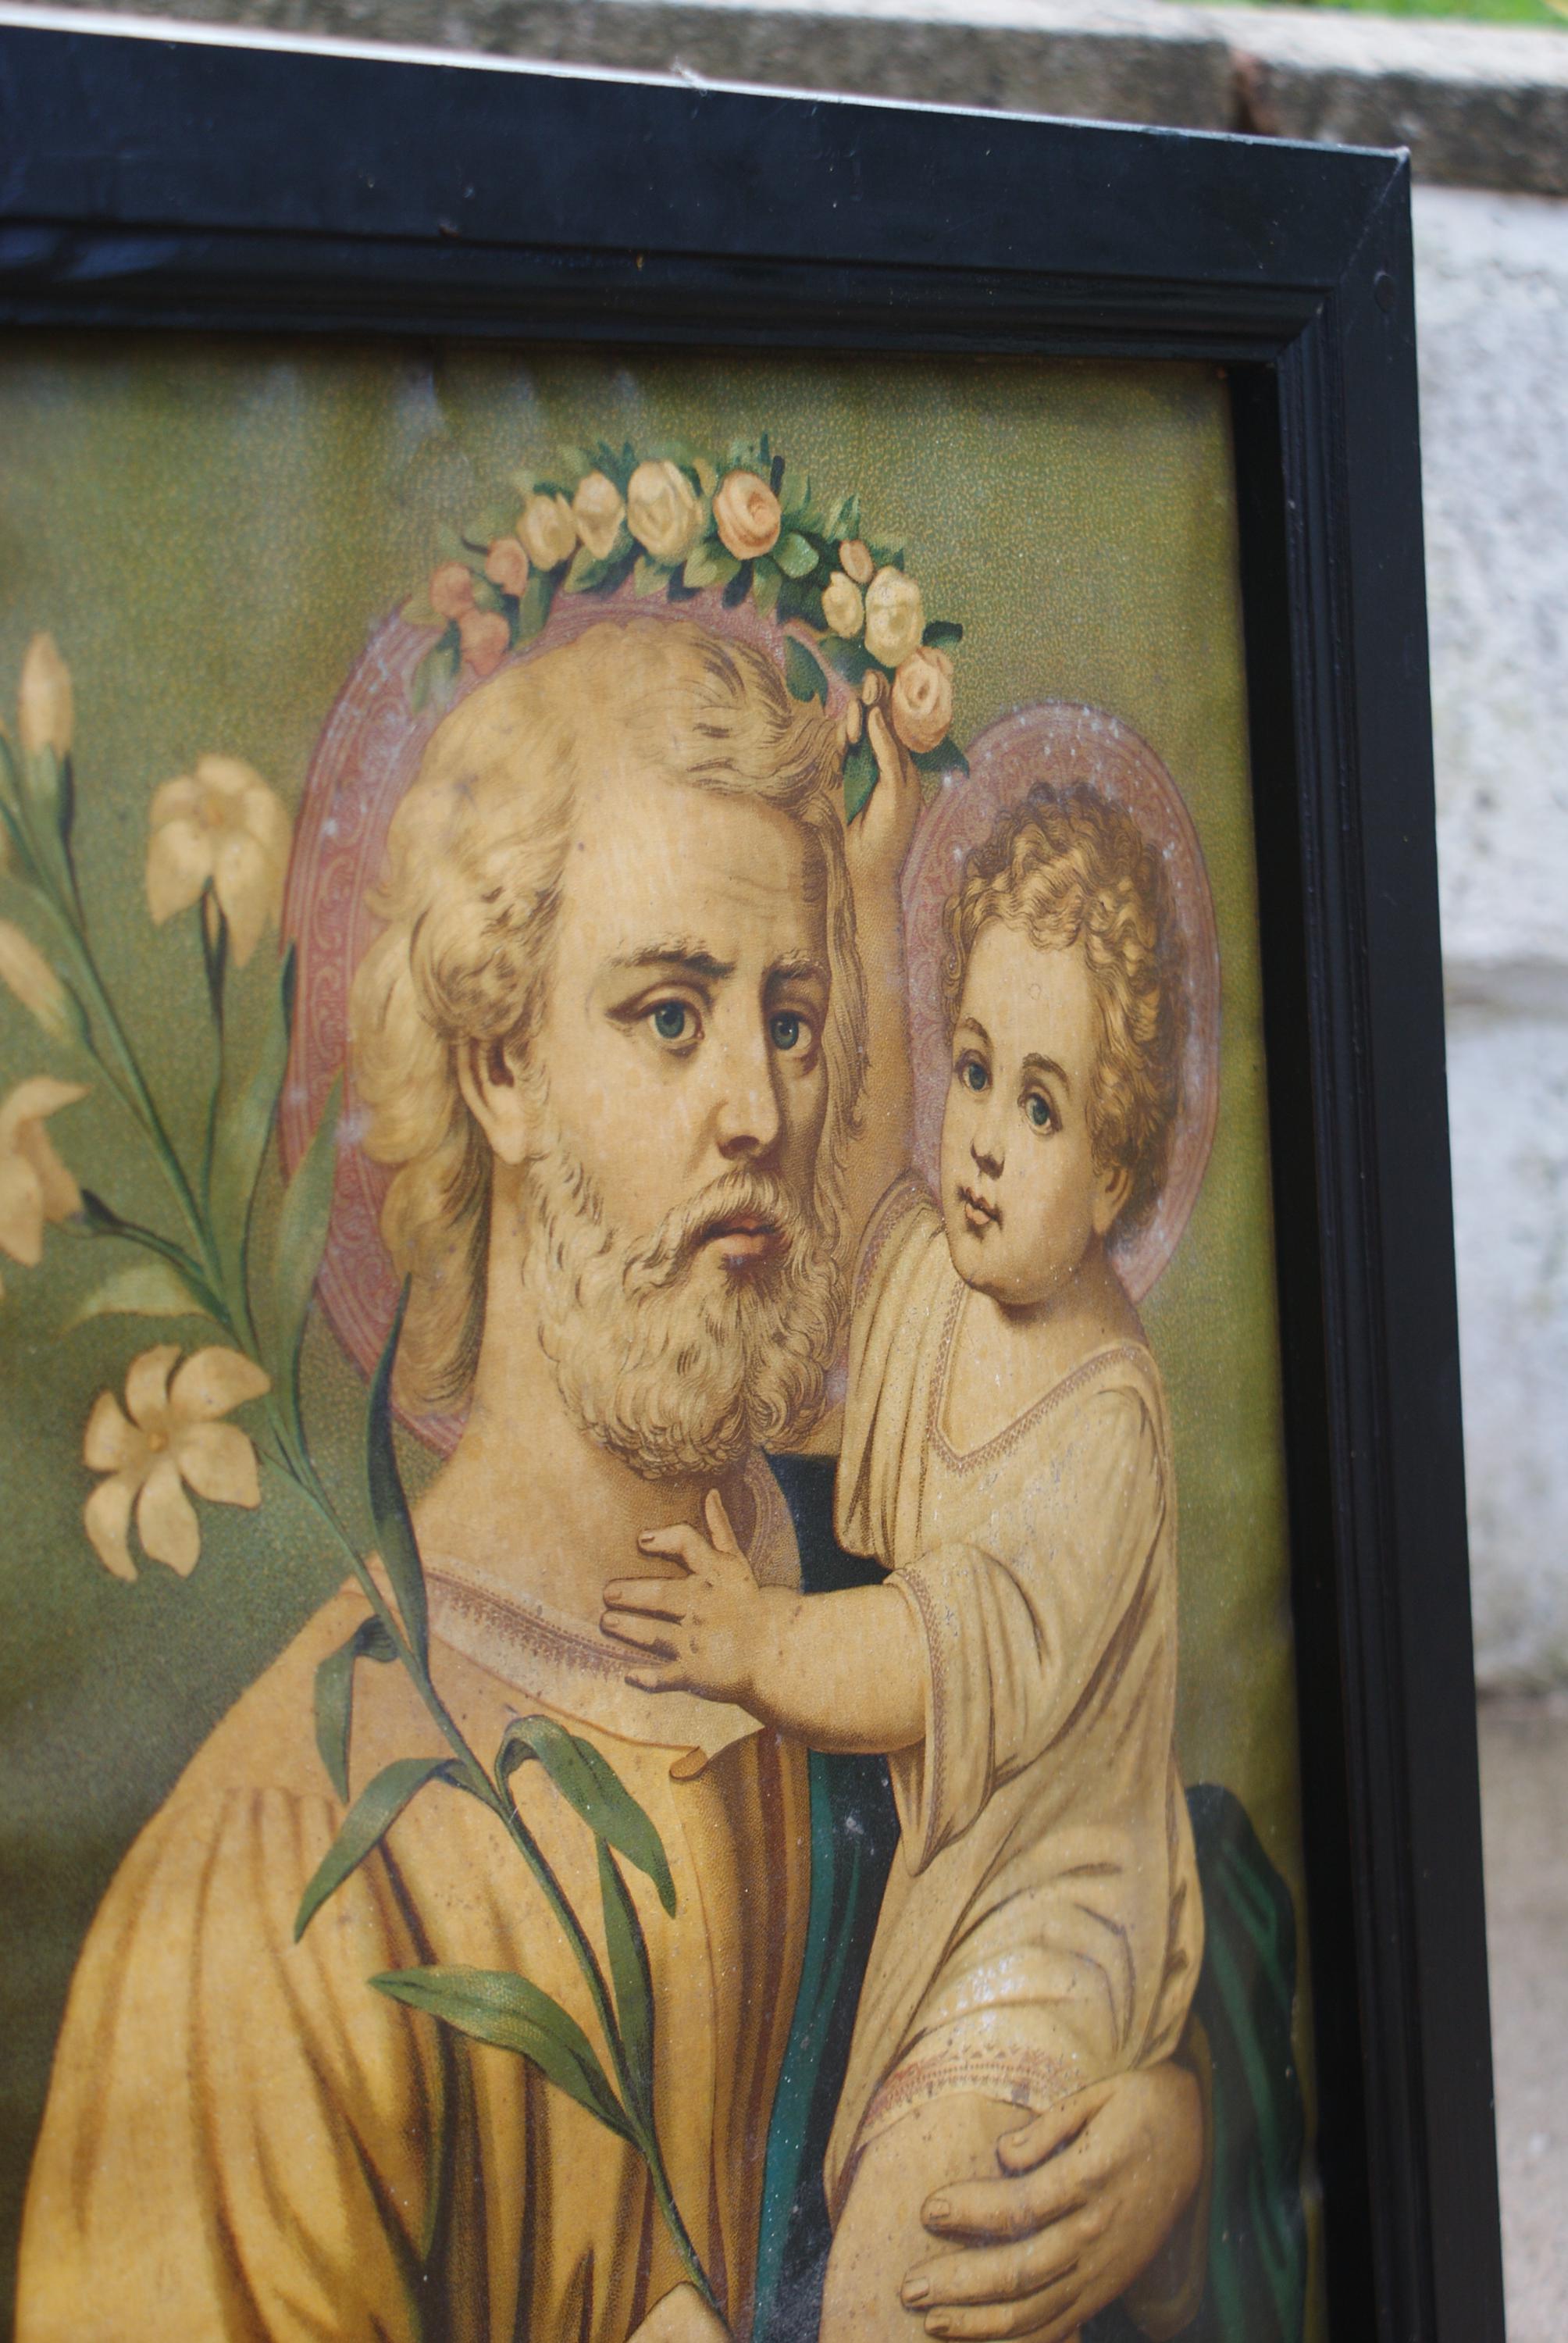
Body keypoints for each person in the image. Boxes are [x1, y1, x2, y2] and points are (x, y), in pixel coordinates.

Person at [16, 618, 1205, 2343]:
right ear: (499, 1064)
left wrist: (1156, 2144)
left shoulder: (868, 1597)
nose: (758, 1112)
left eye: (792, 1021)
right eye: (668, 1016)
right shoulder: (275, 1878)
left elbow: (1121, 1868)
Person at [605, 757, 1202, 2341]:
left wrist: (757, 1645)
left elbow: (933, 1652)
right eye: (978, 1070)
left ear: (1117, 1173)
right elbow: (867, 1167)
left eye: (1042, 1107)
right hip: (952, 1906)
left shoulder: (1105, 1424)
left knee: (907, 2275)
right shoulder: (947, 1278)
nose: (984, 1141)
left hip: (1048, 1939)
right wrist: (868, 888)